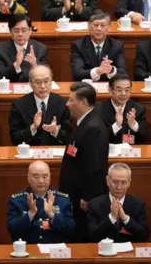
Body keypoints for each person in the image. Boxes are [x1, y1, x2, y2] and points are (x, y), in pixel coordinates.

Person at [60, 82, 109, 242]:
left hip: (84, 197)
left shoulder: (93, 127)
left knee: (82, 237)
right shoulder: (85, 122)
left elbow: (95, 167)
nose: (67, 104)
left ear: (83, 102)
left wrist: (88, 197)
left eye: (70, 100)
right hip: (75, 193)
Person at [8, 160, 75, 243]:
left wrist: (52, 215)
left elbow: (70, 230)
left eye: (45, 176)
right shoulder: (17, 201)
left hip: (55, 250)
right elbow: (12, 230)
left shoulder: (62, 200)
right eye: (36, 177)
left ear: (50, 177)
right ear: (28, 178)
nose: (41, 181)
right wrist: (30, 214)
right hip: (28, 249)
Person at [9, 65, 71, 146]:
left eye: (46, 81)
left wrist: (55, 130)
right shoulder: (18, 105)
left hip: (55, 154)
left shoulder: (63, 104)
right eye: (38, 82)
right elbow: (15, 139)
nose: (42, 86)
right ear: (30, 84)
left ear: (51, 82)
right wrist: (33, 127)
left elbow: (70, 138)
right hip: (29, 154)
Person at [87, 163, 149, 242]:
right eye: (115, 182)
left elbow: (144, 236)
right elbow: (92, 236)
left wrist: (125, 218)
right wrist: (112, 217)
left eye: (123, 182)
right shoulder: (94, 205)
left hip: (130, 252)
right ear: (107, 181)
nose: (119, 187)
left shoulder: (138, 205)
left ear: (129, 182)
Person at [70, 12, 127, 81]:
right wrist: (97, 71)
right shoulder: (78, 45)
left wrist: (111, 70)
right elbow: (77, 73)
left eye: (103, 25)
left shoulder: (117, 45)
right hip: (85, 87)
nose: (99, 29)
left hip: (108, 87)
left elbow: (123, 73)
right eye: (96, 25)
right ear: (88, 26)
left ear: (109, 27)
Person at [96, 75, 147, 144]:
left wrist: (134, 125)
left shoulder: (138, 108)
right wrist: (116, 125)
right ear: (110, 91)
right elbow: (98, 138)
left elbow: (144, 138)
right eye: (119, 90)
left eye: (127, 90)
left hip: (130, 152)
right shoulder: (99, 110)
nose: (124, 94)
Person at [0, 15, 46, 82]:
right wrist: (16, 65)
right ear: (10, 32)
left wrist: (35, 64)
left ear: (30, 31)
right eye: (16, 31)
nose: (20, 34)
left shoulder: (40, 48)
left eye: (24, 30)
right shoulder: (0, 50)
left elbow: (45, 75)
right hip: (10, 89)